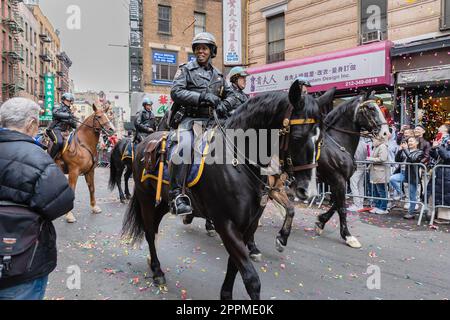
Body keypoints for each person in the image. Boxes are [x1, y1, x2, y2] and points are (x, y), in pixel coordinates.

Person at [0, 98, 74, 300]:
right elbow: (61, 202)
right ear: (32, 124)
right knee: (58, 143)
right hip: (22, 261)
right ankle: (57, 156)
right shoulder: (37, 156)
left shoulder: (69, 108)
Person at [168, 32, 234, 216]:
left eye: (204, 48)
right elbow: (176, 92)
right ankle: (176, 195)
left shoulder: (219, 75)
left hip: (213, 121)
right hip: (190, 120)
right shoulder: (186, 69)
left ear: (212, 51)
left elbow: (232, 95)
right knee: (186, 144)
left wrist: (224, 104)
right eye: (197, 48)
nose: (200, 52)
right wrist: (202, 97)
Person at [390, 136, 424, 219]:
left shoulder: (419, 152)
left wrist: (405, 150)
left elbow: (412, 159)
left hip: (412, 175)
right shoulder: (404, 150)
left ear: (417, 143)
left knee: (413, 195)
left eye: (412, 141)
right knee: (392, 179)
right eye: (408, 141)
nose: (409, 143)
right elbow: (397, 160)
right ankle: (403, 194)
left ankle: (411, 213)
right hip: (403, 173)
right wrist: (401, 150)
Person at [427, 125, 450, 222]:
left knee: (445, 194)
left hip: (447, 172)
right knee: (436, 193)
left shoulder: (446, 142)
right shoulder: (440, 141)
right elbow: (438, 157)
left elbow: (447, 156)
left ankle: (444, 217)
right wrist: (433, 149)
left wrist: (439, 146)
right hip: (440, 171)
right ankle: (434, 214)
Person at [47, 92, 77, 159]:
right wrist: (70, 115)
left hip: (65, 131)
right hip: (54, 129)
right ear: (63, 100)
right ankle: (49, 160)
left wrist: (77, 125)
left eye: (70, 101)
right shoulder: (57, 105)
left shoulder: (69, 110)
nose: (69, 102)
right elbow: (55, 113)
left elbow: (72, 123)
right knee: (59, 142)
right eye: (68, 100)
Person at [367, 136, 390, 214]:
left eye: (374, 140)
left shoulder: (382, 147)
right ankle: (377, 206)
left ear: (379, 140)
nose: (372, 141)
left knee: (381, 190)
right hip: (375, 172)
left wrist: (370, 159)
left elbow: (382, 159)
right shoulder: (376, 147)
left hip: (381, 172)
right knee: (376, 191)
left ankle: (383, 208)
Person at [348, 138, 368, 212]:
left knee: (353, 184)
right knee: (360, 185)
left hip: (357, 165)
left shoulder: (355, 143)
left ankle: (357, 204)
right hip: (363, 165)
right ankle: (360, 204)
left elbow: (355, 155)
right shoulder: (364, 143)